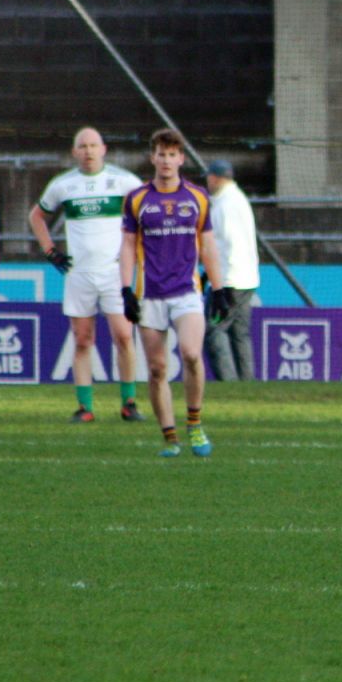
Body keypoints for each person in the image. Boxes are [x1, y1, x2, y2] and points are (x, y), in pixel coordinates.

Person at [120, 129, 232, 458]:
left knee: (191, 354)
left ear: (181, 158)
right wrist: (126, 289)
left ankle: (194, 423)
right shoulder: (138, 199)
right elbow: (127, 245)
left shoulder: (197, 198)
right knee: (156, 369)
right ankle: (170, 437)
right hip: (150, 294)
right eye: (161, 154)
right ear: (152, 157)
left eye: (172, 155)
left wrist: (220, 287)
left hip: (186, 292)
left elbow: (208, 245)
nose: (166, 161)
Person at [29, 127, 144, 423]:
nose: (89, 151)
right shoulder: (64, 185)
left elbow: (147, 211)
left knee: (123, 336)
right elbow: (37, 216)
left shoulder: (124, 181)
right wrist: (50, 250)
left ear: (104, 149)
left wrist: (139, 250)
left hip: (115, 273)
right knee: (82, 339)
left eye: (94, 146)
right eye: (83, 146)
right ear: (74, 152)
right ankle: (85, 407)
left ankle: (129, 402)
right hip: (79, 274)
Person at [203, 159, 260, 381]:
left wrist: (219, 281)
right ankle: (247, 382)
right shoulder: (239, 200)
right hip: (247, 278)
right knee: (239, 334)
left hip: (230, 280)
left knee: (214, 330)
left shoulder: (224, 206)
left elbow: (226, 245)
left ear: (215, 177)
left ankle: (228, 382)